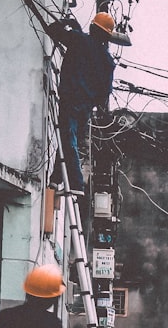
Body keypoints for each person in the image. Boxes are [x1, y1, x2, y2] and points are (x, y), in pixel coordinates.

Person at [45, 12, 129, 197]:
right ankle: (56, 178)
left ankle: (75, 182)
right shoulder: (107, 61)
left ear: (92, 28)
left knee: (68, 139)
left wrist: (67, 23)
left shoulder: (79, 40)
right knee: (69, 140)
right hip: (85, 107)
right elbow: (104, 92)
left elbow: (52, 31)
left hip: (70, 99)